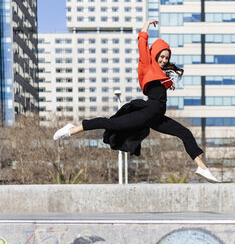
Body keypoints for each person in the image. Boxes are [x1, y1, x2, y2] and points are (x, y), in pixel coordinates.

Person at [53, 19, 218, 183]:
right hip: (147, 113)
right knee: (111, 123)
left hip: (157, 117)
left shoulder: (160, 74)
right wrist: (146, 25)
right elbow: (142, 41)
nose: (164, 60)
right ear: (155, 54)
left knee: (185, 133)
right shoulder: (147, 64)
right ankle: (72, 129)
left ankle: (203, 168)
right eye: (161, 56)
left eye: (166, 58)